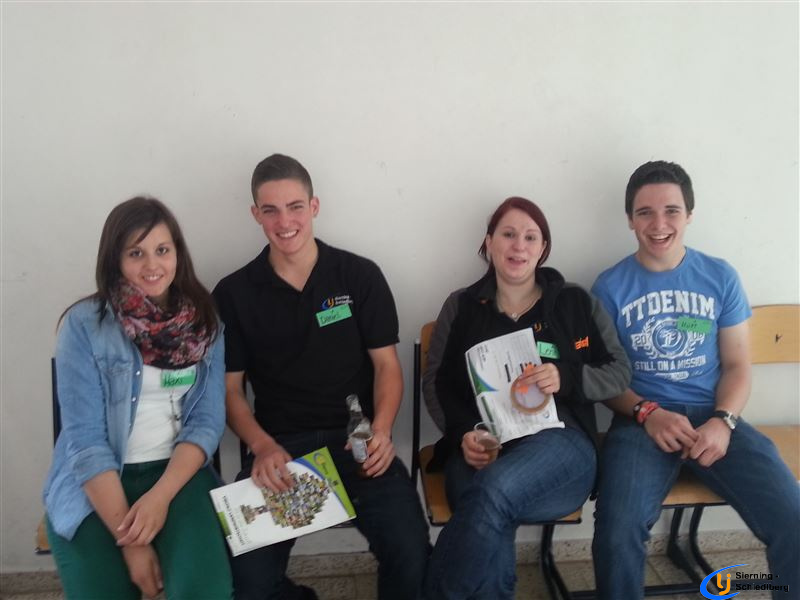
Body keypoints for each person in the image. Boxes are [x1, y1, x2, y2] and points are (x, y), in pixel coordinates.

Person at [212, 153, 430, 600]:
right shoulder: (234, 293)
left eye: (295, 206)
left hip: (357, 444)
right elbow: (230, 391)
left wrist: (382, 430)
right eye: (270, 210)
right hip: (280, 453)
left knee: (412, 555)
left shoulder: (359, 276)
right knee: (245, 583)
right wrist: (261, 446)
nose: (284, 221)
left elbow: (387, 367)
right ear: (255, 214)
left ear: (314, 206)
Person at [590, 161, 800, 599]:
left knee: (792, 517)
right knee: (617, 529)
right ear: (630, 220)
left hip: (715, 417)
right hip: (642, 423)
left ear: (689, 215)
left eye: (671, 210)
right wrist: (647, 413)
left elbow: (738, 365)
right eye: (645, 212)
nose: (659, 224)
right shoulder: (609, 287)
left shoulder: (719, 276)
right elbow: (605, 378)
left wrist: (723, 421)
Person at [422, 197, 631, 599]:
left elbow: (619, 373)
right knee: (490, 507)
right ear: (489, 243)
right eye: (508, 234)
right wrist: (464, 433)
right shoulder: (462, 306)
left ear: (543, 248)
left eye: (531, 237)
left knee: (490, 492)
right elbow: (436, 382)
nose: (519, 245)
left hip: (561, 446)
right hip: (484, 445)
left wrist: (566, 377)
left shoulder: (574, 301)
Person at [42, 197, 233, 600]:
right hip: (96, 484)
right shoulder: (83, 325)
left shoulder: (205, 323)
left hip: (176, 477)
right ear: (115, 260)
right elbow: (86, 442)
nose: (152, 265)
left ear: (177, 253)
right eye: (136, 253)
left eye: (162, 250)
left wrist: (159, 499)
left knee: (205, 593)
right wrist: (132, 542)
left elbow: (206, 422)